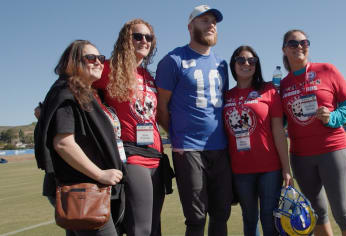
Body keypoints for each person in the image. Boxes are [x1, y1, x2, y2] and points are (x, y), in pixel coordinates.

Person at [155, 5, 232, 236]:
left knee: (221, 213)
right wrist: (179, 135)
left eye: (214, 22)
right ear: (190, 26)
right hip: (188, 149)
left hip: (220, 148)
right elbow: (161, 109)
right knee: (196, 217)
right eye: (204, 20)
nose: (211, 25)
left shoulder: (222, 64)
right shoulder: (173, 60)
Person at [279, 29, 346, 236]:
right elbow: (280, 121)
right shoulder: (282, 85)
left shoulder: (327, 70)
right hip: (300, 157)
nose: (299, 46)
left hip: (333, 150)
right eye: (293, 43)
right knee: (316, 214)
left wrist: (333, 117)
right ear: (284, 49)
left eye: (304, 42)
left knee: (343, 213)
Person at [34, 40, 123, 236]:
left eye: (101, 58)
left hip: (80, 188)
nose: (99, 62)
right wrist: (100, 174)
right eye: (91, 58)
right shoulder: (68, 93)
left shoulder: (79, 92)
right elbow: (64, 143)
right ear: (72, 62)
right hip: (81, 189)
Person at [92, 18, 173, 236]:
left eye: (149, 37)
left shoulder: (148, 76)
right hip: (131, 156)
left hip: (156, 155)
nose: (144, 41)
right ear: (125, 40)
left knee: (154, 228)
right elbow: (76, 84)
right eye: (138, 36)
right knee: (141, 229)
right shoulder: (108, 69)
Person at [223, 45, 293, 236]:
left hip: (269, 168)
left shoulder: (269, 90)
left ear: (257, 65)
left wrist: (286, 169)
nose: (247, 64)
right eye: (241, 60)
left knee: (269, 220)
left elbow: (279, 131)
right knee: (249, 218)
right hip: (240, 169)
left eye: (251, 60)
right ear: (233, 64)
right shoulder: (226, 96)